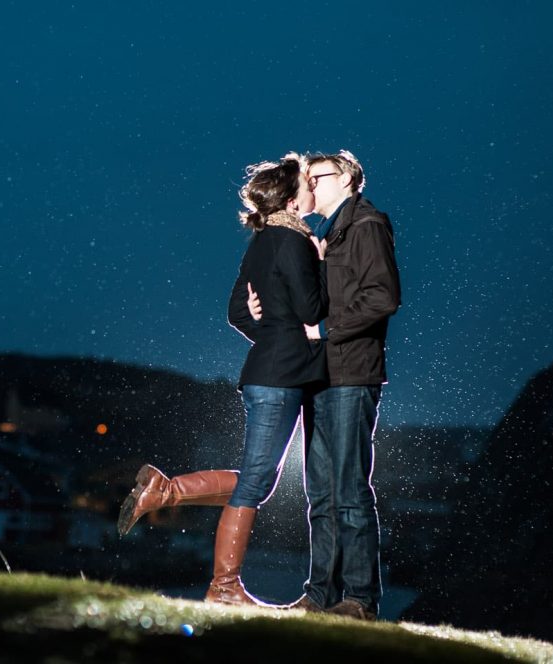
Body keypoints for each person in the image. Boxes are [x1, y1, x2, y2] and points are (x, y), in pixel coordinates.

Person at [117, 153, 327, 606]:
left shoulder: (260, 242)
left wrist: (268, 330)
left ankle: (164, 491)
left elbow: (236, 312)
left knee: (260, 482)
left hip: (265, 371)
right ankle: (223, 586)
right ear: (293, 200)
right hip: (281, 375)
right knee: (255, 483)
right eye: (308, 183)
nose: (314, 189)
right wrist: (321, 263)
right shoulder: (295, 244)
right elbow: (313, 310)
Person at [249, 150, 400, 620]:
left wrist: (327, 329)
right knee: (321, 493)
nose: (309, 185)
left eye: (318, 176)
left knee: (350, 489)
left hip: (351, 373)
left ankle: (358, 599)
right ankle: (320, 595)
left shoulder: (366, 225)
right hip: (319, 374)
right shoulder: (323, 235)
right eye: (307, 178)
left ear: (349, 179)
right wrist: (262, 315)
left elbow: (384, 296)